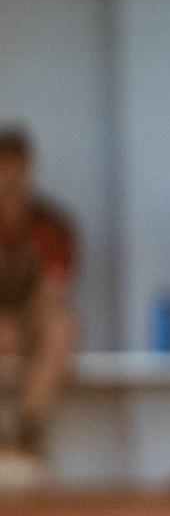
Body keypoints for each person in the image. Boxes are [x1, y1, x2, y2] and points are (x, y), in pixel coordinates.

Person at [0, 128, 76, 465]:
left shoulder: (51, 224)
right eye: (3, 168)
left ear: (30, 169)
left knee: (61, 327)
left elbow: (54, 290)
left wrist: (17, 324)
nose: (10, 178)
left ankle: (28, 433)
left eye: (17, 168)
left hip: (29, 317)